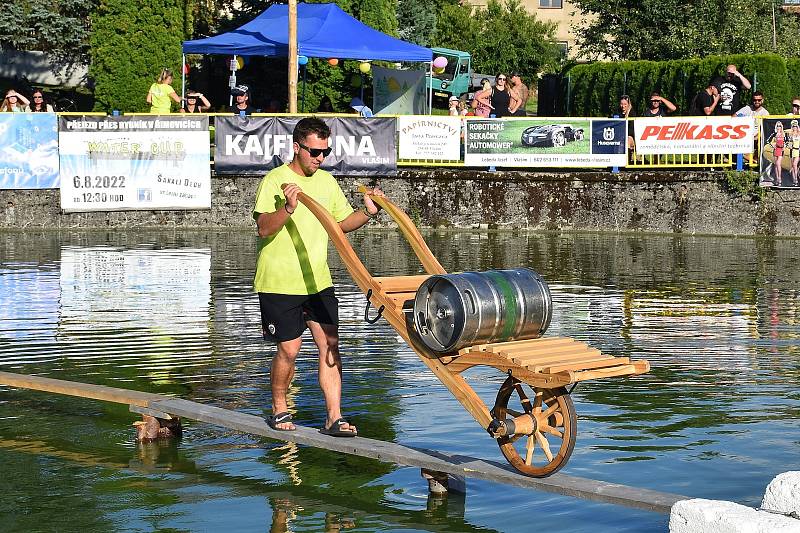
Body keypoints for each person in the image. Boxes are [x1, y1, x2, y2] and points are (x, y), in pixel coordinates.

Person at [253, 117, 383, 437]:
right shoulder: (275, 180)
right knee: (290, 350)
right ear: (296, 148)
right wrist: (289, 207)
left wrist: (367, 212)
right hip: (279, 282)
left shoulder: (326, 182)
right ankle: (280, 408)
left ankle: (333, 417)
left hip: (318, 281)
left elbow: (340, 225)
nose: (320, 158)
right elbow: (263, 228)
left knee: (330, 345)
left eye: (325, 152)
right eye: (314, 152)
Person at [790, 119, 800, 186]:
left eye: (795, 126)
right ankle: (794, 180)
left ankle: (796, 178)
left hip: (797, 151)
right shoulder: (791, 134)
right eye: (793, 126)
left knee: (795, 165)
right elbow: (790, 144)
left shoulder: (799, 134)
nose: (794, 127)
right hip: (792, 151)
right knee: (793, 166)